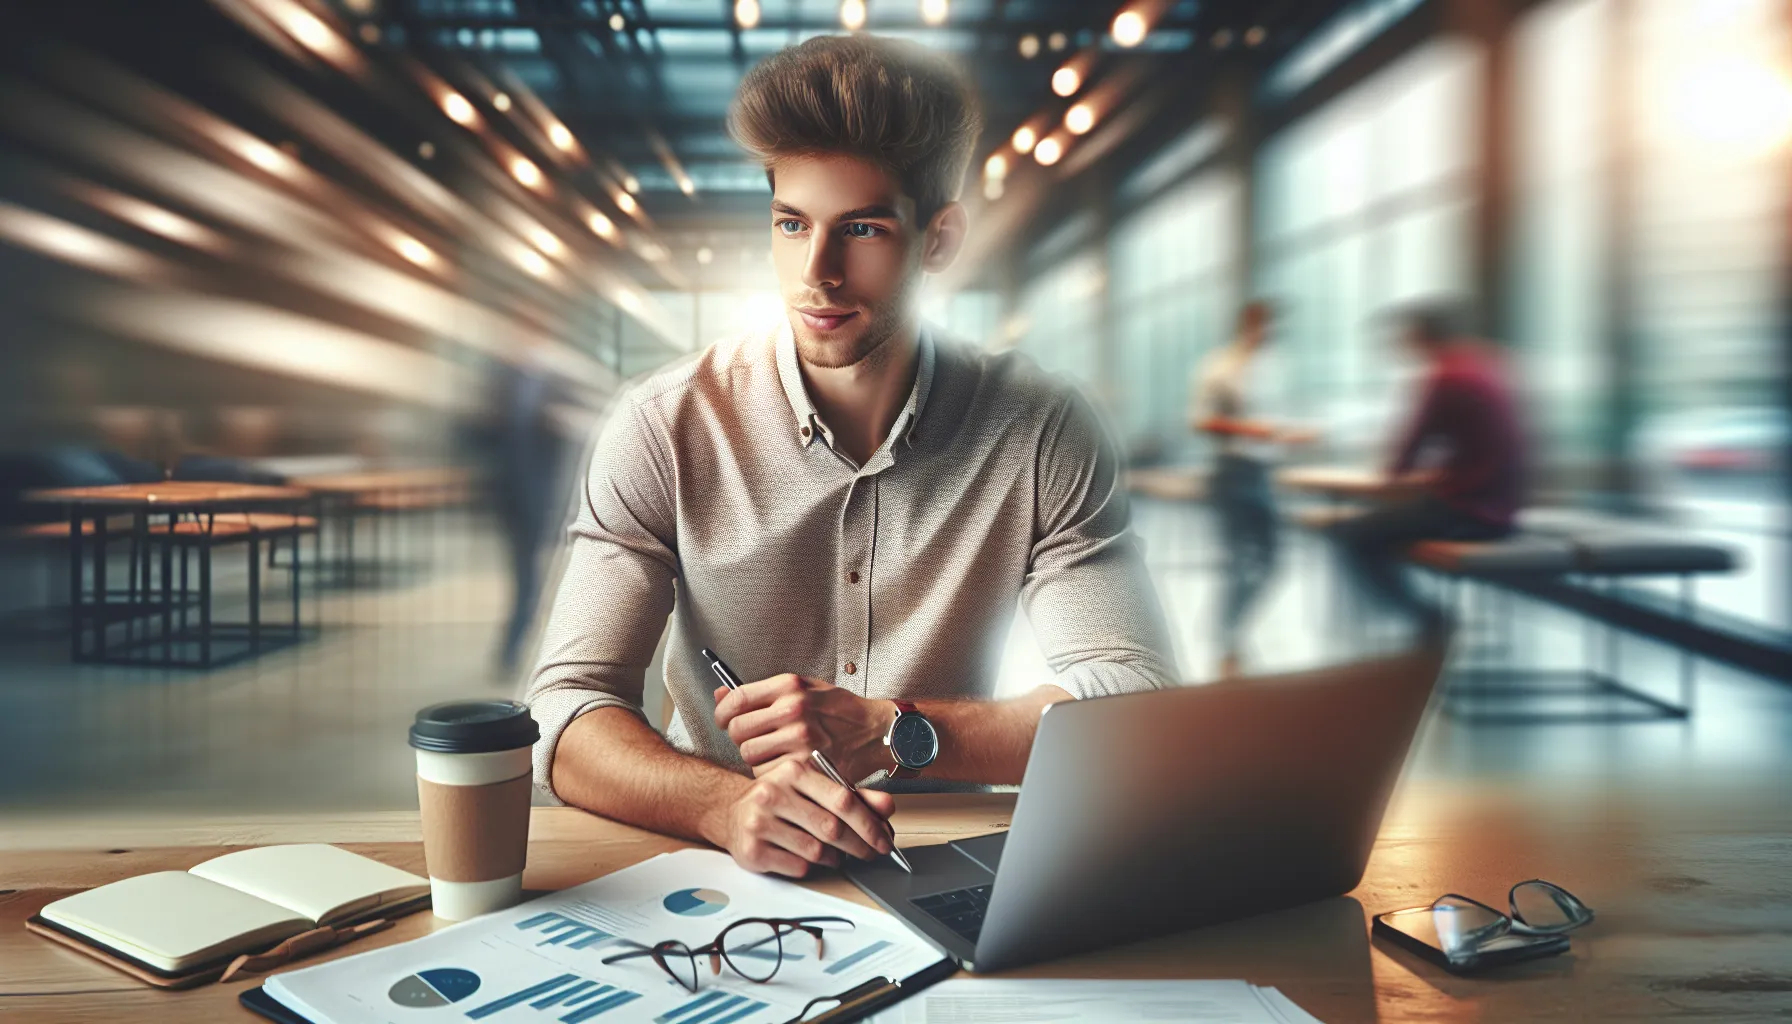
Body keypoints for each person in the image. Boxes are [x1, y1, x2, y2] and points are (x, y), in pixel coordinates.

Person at [526, 36, 1177, 880]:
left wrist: (895, 729)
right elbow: (566, 711)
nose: (817, 273)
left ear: (939, 239)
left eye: (861, 229)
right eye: (792, 225)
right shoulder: (664, 425)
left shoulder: (1043, 428)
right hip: (719, 865)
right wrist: (723, 806)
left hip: (947, 857)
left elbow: (1140, 701)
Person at [1329, 305, 1527, 636]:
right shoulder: (1481, 366)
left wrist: (1400, 474)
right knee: (1387, 522)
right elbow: (1474, 447)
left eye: (1404, 337)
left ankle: (1428, 619)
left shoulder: (1446, 376)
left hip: (1473, 513)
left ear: (1420, 336)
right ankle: (1425, 619)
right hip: (1499, 505)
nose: (1401, 344)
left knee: (1350, 535)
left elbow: (1404, 457)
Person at [1192, 301, 1314, 677]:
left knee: (1272, 560)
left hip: (1262, 471)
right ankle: (1227, 639)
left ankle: (1227, 628)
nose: (1267, 335)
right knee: (1238, 561)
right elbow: (1202, 421)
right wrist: (1253, 431)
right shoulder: (1219, 368)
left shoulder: (1271, 370)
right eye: (1263, 327)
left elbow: (1276, 421)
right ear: (1247, 326)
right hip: (1233, 471)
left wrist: (1288, 435)